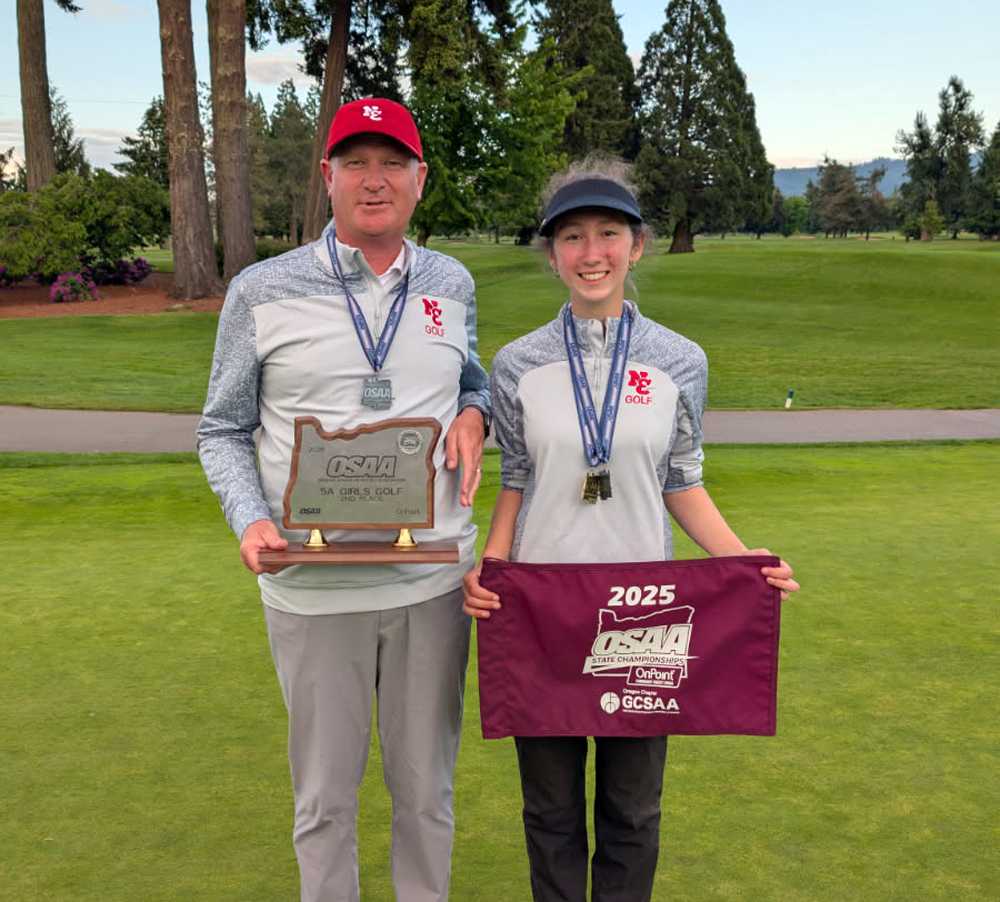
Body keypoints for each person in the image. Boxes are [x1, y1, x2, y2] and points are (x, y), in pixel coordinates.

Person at [463, 156, 799, 902]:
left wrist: (744, 563)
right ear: (552, 254)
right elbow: (517, 476)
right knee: (549, 812)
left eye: (608, 234)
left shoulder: (681, 360)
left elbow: (682, 480)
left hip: (645, 613)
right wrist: (492, 563)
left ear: (636, 245)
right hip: (543, 608)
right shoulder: (517, 364)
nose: (592, 253)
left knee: (633, 810)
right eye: (573, 237)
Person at [198, 97, 490, 902]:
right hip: (312, 587)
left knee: (426, 795)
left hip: (430, 583)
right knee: (325, 802)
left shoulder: (450, 282)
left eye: (393, 162)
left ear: (420, 180)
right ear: (326, 177)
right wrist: (249, 517)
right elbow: (220, 429)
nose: (375, 180)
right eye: (355, 162)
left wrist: (477, 410)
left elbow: (472, 376)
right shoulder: (262, 290)